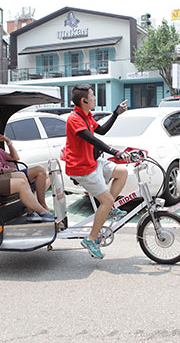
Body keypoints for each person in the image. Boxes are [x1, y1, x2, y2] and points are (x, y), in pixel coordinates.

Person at [64, 84, 132, 259]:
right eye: (93, 95)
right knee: (107, 200)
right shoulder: (74, 119)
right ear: (84, 100)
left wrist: (116, 113)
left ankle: (107, 208)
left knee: (122, 171)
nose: (95, 98)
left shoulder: (87, 115)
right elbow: (92, 139)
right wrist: (116, 152)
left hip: (93, 163)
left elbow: (101, 130)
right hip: (81, 169)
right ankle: (91, 239)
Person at [0, 120, 54, 222]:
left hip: (7, 173)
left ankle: (40, 206)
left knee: (40, 170)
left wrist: (8, 142)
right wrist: (2, 171)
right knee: (21, 179)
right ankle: (36, 211)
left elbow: (15, 157)